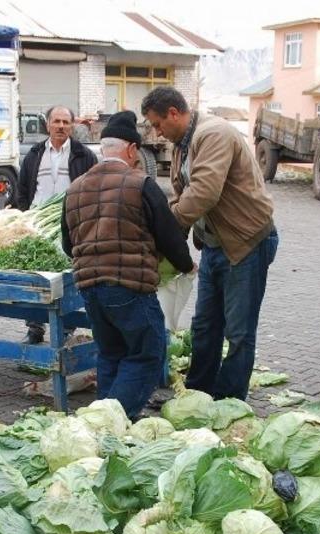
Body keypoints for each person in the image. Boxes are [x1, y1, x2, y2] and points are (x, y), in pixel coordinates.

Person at [141, 86, 278, 401]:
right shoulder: (182, 145)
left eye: (158, 124)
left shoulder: (213, 133)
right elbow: (180, 196)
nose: (158, 133)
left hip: (246, 243)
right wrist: (172, 246)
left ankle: (229, 401)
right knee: (205, 325)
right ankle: (199, 394)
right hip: (216, 245)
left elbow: (203, 193)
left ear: (174, 113)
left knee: (239, 331)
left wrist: (166, 231)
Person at [61, 111, 192, 418]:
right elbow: (169, 236)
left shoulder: (75, 188)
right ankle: (112, 420)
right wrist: (185, 265)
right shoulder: (141, 184)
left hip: (89, 288)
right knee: (147, 353)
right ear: (132, 149)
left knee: (110, 354)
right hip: (129, 286)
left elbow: (69, 245)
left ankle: (101, 421)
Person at [15, 105, 96, 344]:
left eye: (66, 122)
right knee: (34, 279)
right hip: (38, 226)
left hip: (70, 227)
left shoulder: (84, 156)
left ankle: (66, 329)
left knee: (67, 279)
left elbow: (92, 190)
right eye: (56, 121)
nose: (61, 126)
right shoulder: (34, 153)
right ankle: (34, 328)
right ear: (48, 124)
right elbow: (22, 190)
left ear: (72, 126)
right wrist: (25, 217)